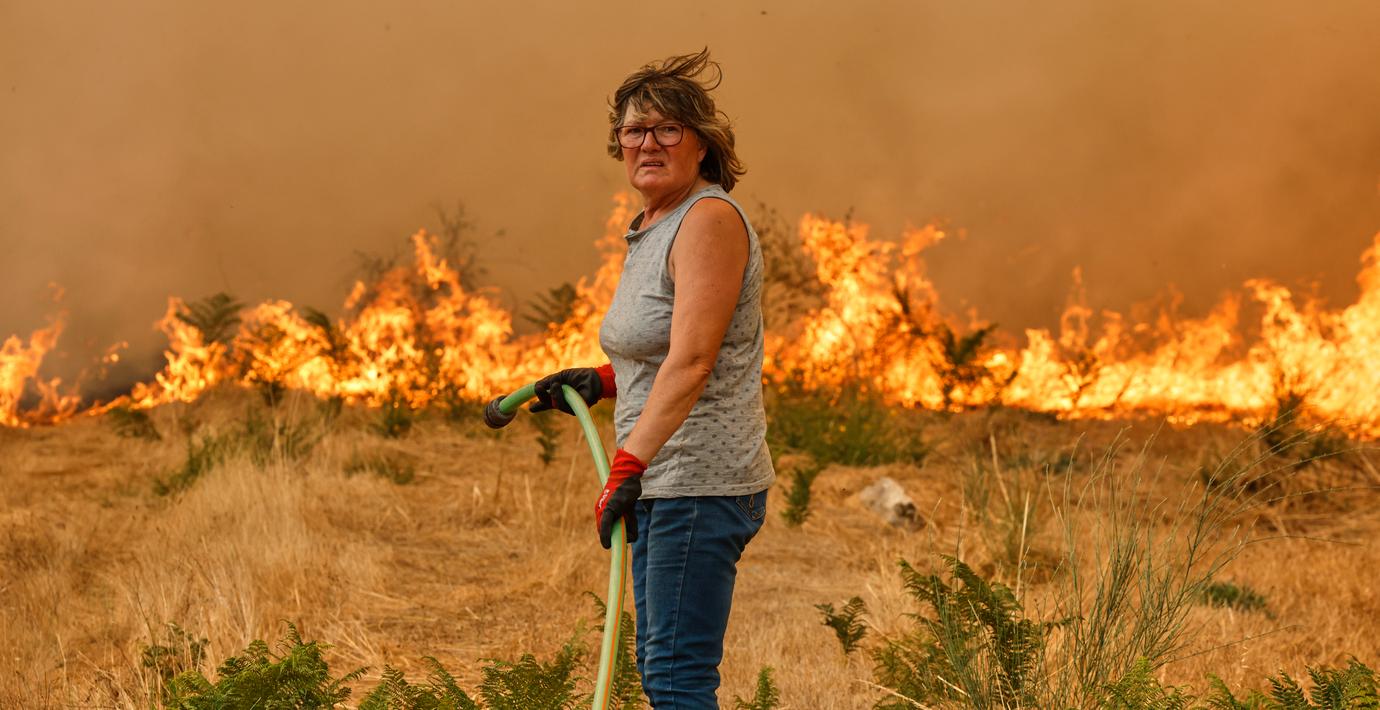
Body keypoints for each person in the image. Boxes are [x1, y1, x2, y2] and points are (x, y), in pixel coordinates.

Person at [528, 48, 774, 708]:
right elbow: (666, 346)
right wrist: (603, 380)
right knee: (663, 667)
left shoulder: (708, 220)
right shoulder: (654, 224)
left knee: (674, 676)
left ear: (702, 143)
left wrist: (627, 465)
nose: (648, 143)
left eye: (668, 128)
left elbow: (694, 361)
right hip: (665, 479)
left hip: (697, 480)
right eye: (635, 129)